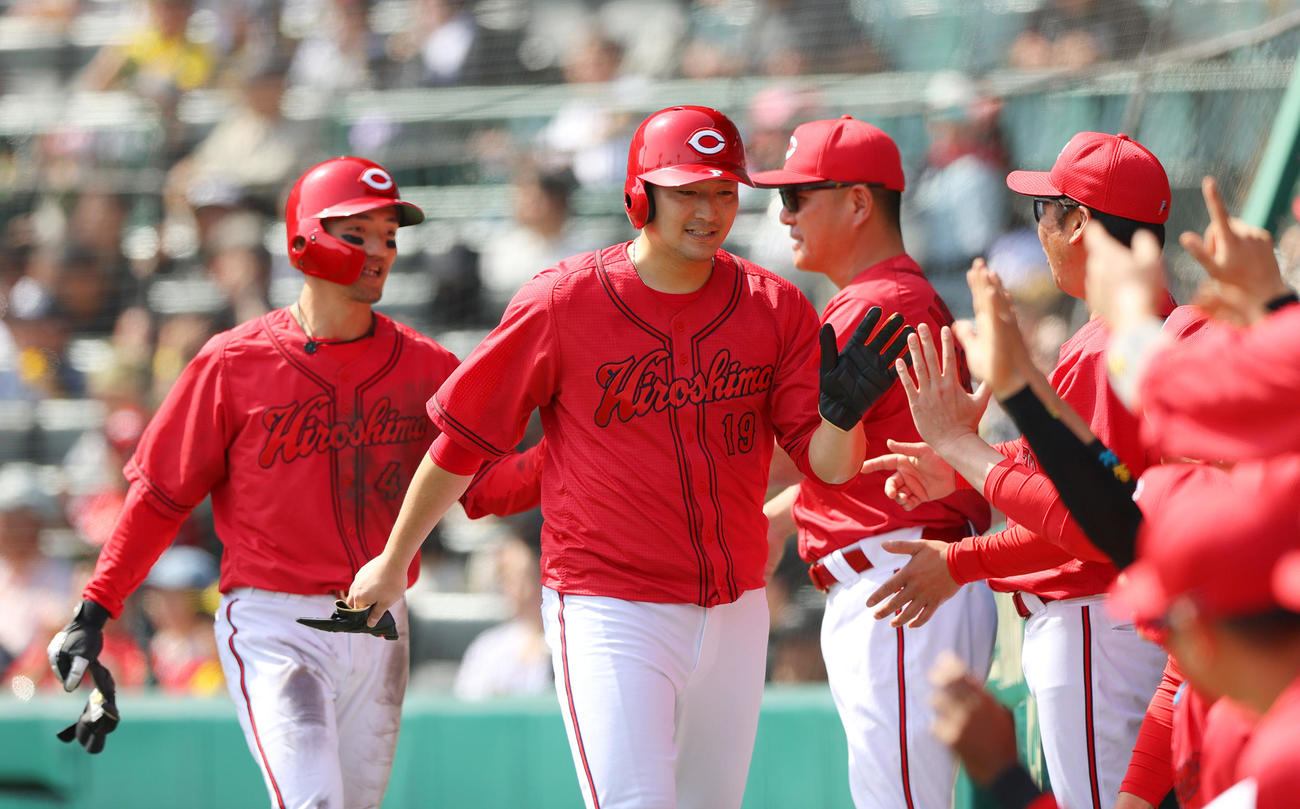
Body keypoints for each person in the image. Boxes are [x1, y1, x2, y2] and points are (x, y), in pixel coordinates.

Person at [346, 105, 904, 809]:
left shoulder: (775, 305)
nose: (709, 209)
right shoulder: (563, 300)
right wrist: (395, 558)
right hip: (610, 606)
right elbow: (461, 443)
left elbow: (829, 466)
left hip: (735, 607)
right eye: (688, 191)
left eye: (724, 191)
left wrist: (841, 414)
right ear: (640, 194)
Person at [46, 156, 544, 808]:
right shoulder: (233, 362)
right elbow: (160, 496)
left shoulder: (427, 366)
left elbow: (479, 489)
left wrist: (564, 457)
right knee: (313, 801)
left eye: (389, 236)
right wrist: (95, 608)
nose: (380, 252)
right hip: (274, 621)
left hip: (377, 622)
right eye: (358, 233)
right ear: (305, 238)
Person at [862, 131, 1203, 809]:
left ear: (1079, 223)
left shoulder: (1109, 347)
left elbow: (1086, 525)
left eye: (1046, 211)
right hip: (1123, 632)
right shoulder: (1129, 337)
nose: (1038, 227)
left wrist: (963, 501)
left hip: (1096, 629)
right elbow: (1085, 492)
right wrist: (961, 471)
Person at [750, 115, 995, 809]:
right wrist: (787, 511)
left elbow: (778, 457)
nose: (784, 212)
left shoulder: (877, 302)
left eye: (799, 195)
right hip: (901, 574)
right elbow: (855, 461)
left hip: (896, 580)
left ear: (858, 203)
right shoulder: (894, 293)